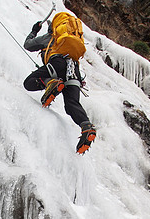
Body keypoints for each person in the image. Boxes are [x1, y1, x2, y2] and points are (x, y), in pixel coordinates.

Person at [23, 20, 96, 154]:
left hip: (57, 65)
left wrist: (34, 31)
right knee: (72, 104)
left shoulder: (51, 37)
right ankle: (86, 126)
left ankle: (51, 83)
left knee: (29, 82)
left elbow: (28, 45)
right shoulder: (70, 42)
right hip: (74, 70)